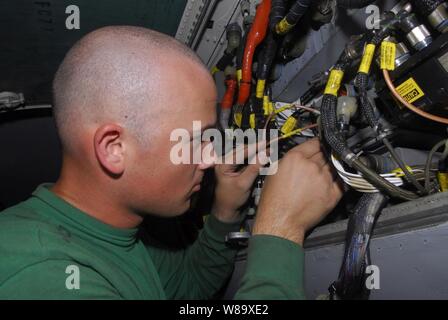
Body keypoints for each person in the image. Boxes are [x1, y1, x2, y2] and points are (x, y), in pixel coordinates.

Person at [0, 26, 342, 299]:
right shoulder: (40, 277)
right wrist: (279, 231)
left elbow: (187, 287)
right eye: (195, 140)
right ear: (114, 148)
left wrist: (225, 212)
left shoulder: (118, 229)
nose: (211, 158)